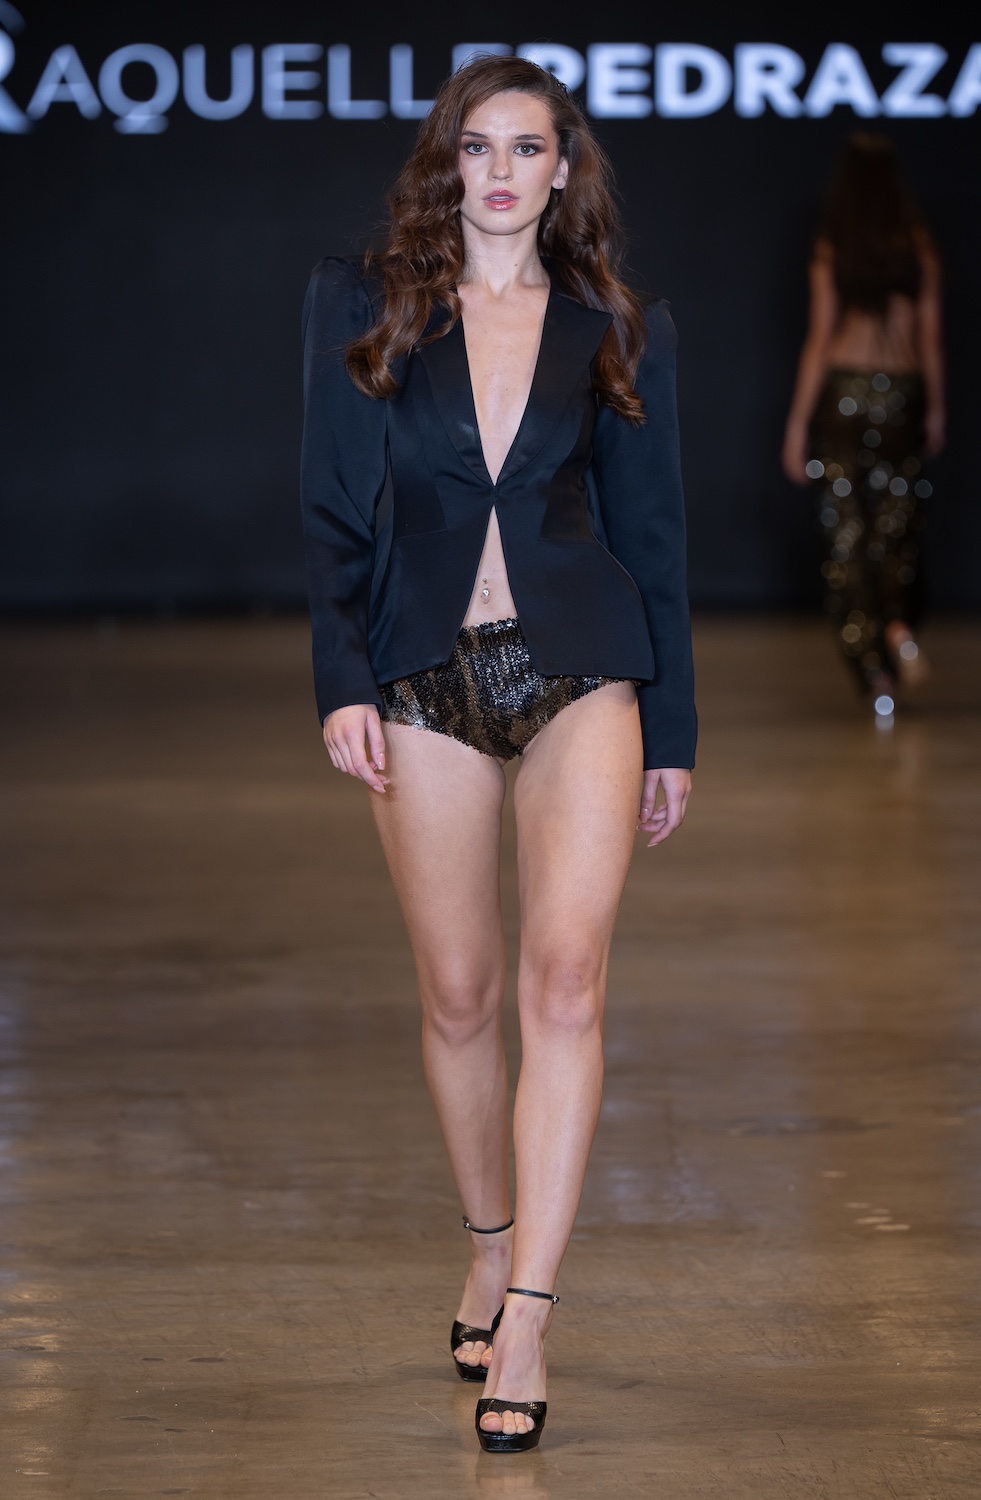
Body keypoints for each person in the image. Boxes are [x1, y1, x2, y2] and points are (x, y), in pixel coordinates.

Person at [300, 55, 695, 1454]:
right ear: (446, 162)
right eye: (479, 148)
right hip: (422, 669)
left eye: (529, 148)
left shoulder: (614, 324)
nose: (504, 173)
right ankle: (486, 1240)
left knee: (565, 982)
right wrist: (340, 678)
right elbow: (328, 507)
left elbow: (654, 535)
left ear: (563, 167)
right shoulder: (366, 303)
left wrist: (673, 734)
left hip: (581, 668)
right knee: (462, 996)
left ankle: (527, 1311)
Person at [782, 133, 944, 711]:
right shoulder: (916, 247)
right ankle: (897, 626)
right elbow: (929, 339)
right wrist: (937, 408)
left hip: (845, 392)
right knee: (896, 526)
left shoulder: (836, 245)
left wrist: (797, 424)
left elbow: (819, 340)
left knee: (846, 531)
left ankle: (875, 672)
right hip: (902, 392)